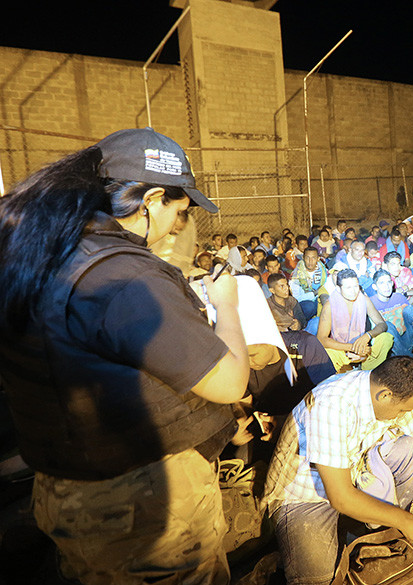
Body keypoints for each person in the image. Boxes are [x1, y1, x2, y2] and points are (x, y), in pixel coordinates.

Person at [0, 128, 251, 584]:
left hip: (69, 489)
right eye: (179, 212)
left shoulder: (46, 250)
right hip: (143, 507)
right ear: (151, 199)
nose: (178, 226)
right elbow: (229, 381)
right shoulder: (124, 276)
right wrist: (227, 304)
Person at [263, 356, 413, 585]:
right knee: (321, 578)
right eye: (402, 410)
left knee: (410, 448)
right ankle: (380, 524)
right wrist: (405, 520)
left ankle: (379, 529)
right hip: (304, 496)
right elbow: (341, 497)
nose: (403, 415)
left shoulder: (385, 390)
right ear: (385, 395)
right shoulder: (332, 404)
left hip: (349, 476)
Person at [316, 269, 393, 371]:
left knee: (386, 338)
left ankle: (367, 370)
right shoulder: (330, 306)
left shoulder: (364, 299)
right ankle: (346, 370)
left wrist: (367, 336)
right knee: (328, 354)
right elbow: (321, 339)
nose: (353, 291)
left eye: (356, 286)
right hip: (342, 350)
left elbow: (382, 324)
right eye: (348, 287)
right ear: (338, 289)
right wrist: (352, 347)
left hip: (364, 348)